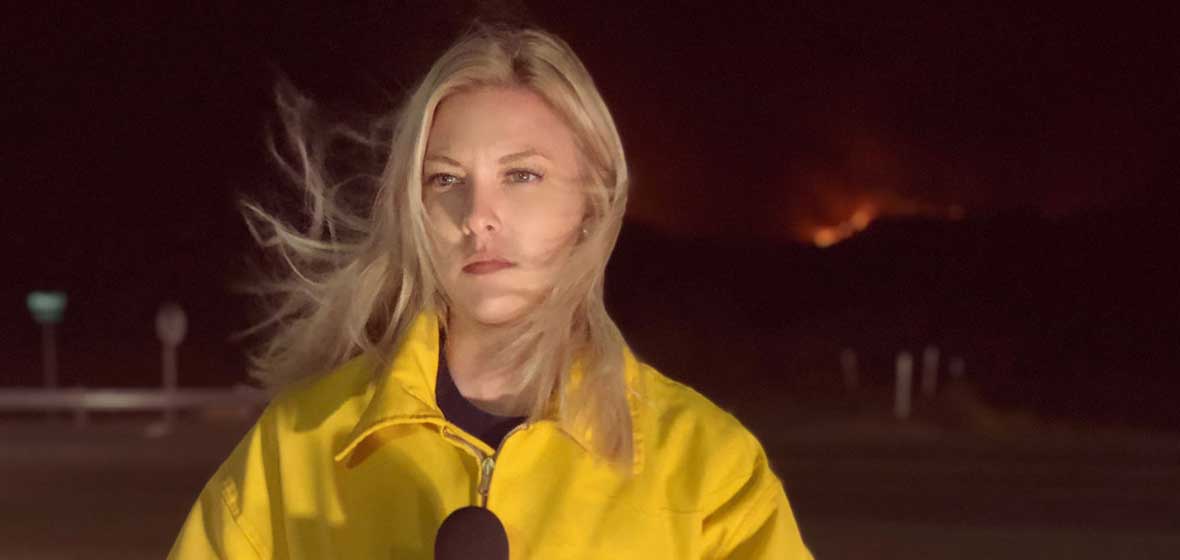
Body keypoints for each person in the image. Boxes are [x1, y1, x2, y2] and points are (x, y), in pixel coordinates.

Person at [169, 24, 812, 559]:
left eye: (522, 174)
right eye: (446, 179)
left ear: (592, 202)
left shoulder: (710, 467)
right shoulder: (295, 449)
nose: (478, 213)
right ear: (411, 208)